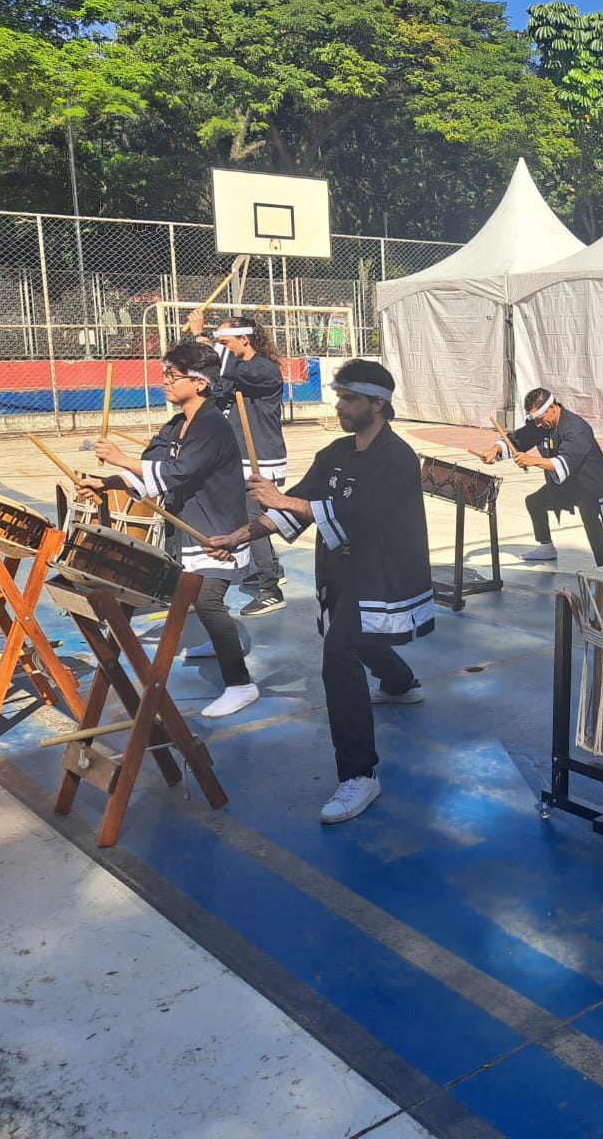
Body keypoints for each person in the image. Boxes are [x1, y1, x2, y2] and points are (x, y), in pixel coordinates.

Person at [205, 360, 433, 825]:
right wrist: (239, 536)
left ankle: (360, 775)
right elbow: (297, 508)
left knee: (340, 653)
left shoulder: (397, 457)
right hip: (344, 569)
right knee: (361, 637)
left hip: (383, 570)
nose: (339, 405)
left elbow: (358, 514)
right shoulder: (334, 452)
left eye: (349, 398)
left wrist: (282, 498)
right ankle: (401, 683)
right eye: (340, 396)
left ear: (378, 403)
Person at [84, 341, 258, 719]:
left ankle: (241, 684)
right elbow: (151, 464)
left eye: (172, 376)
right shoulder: (178, 424)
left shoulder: (213, 425)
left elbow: (178, 473)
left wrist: (119, 457)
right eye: (166, 373)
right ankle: (220, 644)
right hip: (191, 523)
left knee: (208, 600)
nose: (165, 381)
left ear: (198, 383)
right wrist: (108, 482)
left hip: (218, 527)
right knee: (195, 596)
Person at [205, 310, 289, 617]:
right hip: (237, 456)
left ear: (244, 338)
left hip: (261, 458)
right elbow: (216, 384)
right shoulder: (236, 371)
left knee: (252, 521)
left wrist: (205, 338)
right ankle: (273, 569)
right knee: (249, 518)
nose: (222, 347)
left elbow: (232, 369)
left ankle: (271, 589)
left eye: (225, 341)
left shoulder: (265, 369)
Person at [482, 389, 603, 565]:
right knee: (535, 502)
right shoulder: (543, 425)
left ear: (552, 408)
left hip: (588, 485)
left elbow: (565, 461)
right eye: (535, 420)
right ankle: (546, 548)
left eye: (540, 418)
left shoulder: (576, 428)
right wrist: (494, 451)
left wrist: (532, 460)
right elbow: (517, 439)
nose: (537, 424)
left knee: (590, 519)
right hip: (564, 484)